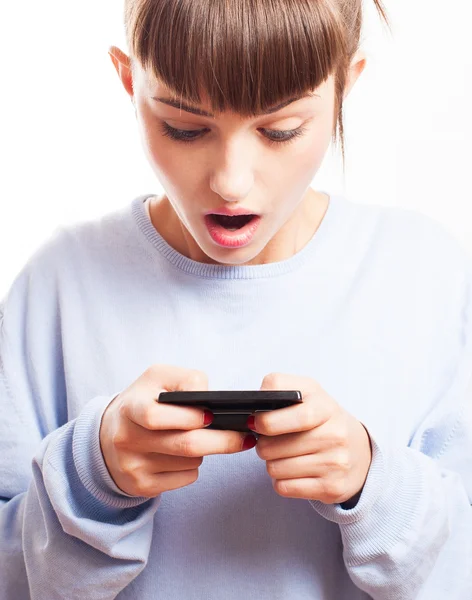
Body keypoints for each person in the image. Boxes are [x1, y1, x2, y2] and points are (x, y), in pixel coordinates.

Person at [0, 0, 471, 598]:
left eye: (280, 130)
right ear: (129, 80)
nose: (231, 180)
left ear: (343, 88)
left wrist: (372, 482)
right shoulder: (56, 285)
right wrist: (92, 476)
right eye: (184, 127)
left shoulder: (427, 274)